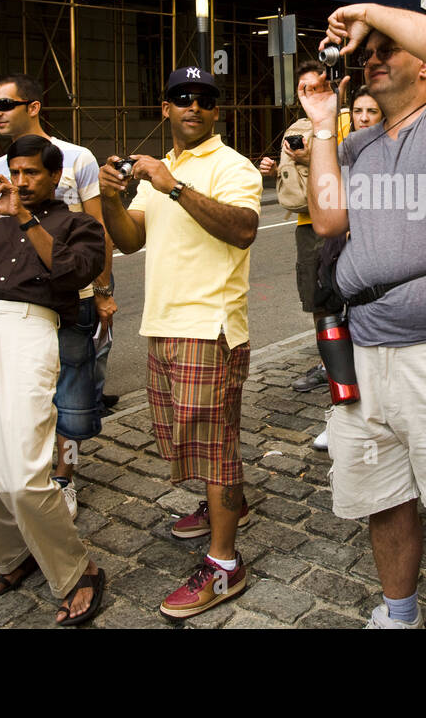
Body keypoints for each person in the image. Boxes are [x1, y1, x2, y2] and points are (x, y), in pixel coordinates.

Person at [299, 4, 426, 629]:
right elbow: (330, 219)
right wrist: (320, 127)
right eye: (367, 52)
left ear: (423, 65)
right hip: (369, 348)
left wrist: (365, 12)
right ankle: (399, 613)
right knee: (382, 495)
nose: (372, 57)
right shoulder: (359, 143)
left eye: (387, 48)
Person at [99, 67, 262, 619]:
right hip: (163, 323)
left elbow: (242, 229)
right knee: (198, 441)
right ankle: (229, 507)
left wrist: (175, 186)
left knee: (215, 446)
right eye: (182, 98)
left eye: (205, 100)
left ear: (216, 112)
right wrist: (111, 200)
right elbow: (130, 240)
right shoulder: (162, 170)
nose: (194, 106)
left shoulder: (231, 166)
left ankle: (223, 565)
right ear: (165, 108)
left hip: (210, 326)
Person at [0, 135, 107, 625]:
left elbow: (70, 273)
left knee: (20, 475)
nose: (23, 182)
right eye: (16, 172)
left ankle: (78, 572)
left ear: (55, 177)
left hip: (30, 328)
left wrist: (25, 217)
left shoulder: (79, 224)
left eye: (33, 173)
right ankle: (13, 552)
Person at [0, 74, 116, 526]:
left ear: (33, 106)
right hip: (18, 304)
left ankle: (65, 477)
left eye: (5, 102)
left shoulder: (78, 158)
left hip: (73, 295)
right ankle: (28, 479)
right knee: (23, 397)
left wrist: (102, 293)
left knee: (71, 396)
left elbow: (98, 230)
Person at [258, 62, 353, 404]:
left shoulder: (351, 120)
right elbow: (295, 176)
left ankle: (355, 360)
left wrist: (311, 155)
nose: (310, 94)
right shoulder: (297, 126)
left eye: (318, 87)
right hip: (306, 223)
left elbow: (353, 170)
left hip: (342, 220)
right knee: (317, 299)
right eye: (304, 89)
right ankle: (328, 363)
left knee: (351, 296)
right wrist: (273, 168)